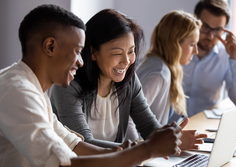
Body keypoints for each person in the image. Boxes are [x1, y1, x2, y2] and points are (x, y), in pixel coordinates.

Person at [0, 4, 183, 167]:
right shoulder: (17, 91)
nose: (81, 62)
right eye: (78, 52)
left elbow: (71, 143)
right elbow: (65, 162)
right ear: (50, 47)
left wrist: (129, 152)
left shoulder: (33, 87)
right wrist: (147, 149)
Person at [51, 9, 207, 150]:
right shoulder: (68, 84)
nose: (126, 61)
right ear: (93, 52)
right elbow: (83, 145)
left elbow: (148, 126)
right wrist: (146, 148)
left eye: (131, 51)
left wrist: (173, 139)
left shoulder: (128, 80)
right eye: (118, 53)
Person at [182, 0, 236, 117]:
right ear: (194, 21)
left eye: (217, 30)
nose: (210, 36)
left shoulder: (226, 54)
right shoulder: (176, 48)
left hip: (205, 126)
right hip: (172, 126)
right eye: (205, 27)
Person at [136, 10, 201, 125]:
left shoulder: (156, 63)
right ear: (174, 43)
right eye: (192, 45)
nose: (196, 51)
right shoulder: (159, 74)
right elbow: (131, 118)